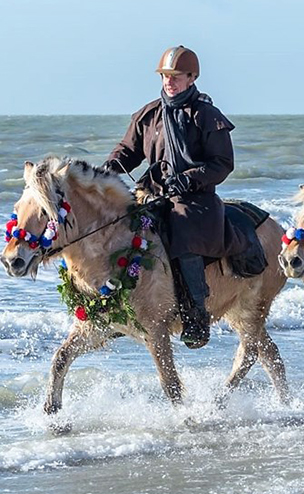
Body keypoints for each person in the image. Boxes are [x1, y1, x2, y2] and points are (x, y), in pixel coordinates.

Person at [104, 45, 244, 349]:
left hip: (194, 198)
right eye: (165, 76)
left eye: (176, 76)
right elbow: (128, 151)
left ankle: (196, 314)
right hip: (153, 192)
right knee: (119, 228)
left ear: (191, 78)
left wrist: (189, 178)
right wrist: (109, 168)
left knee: (184, 230)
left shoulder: (206, 116)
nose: (169, 81)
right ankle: (119, 307)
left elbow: (222, 163)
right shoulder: (148, 115)